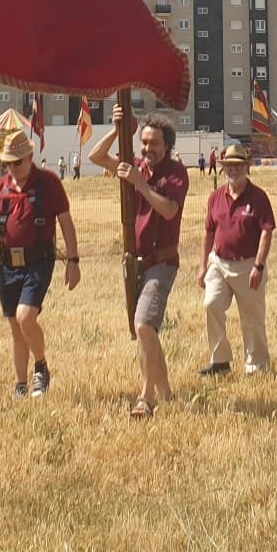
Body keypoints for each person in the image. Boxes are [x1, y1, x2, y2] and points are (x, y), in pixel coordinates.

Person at [0, 131, 78, 398]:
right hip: (7, 266)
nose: (12, 169)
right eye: (8, 164)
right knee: (15, 327)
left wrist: (73, 261)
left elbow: (66, 223)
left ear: (30, 158)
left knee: (25, 316)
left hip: (38, 262)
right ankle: (20, 385)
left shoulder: (49, 183)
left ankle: (41, 366)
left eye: (18, 162)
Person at [91, 118, 189, 419]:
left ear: (167, 146)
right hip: (135, 263)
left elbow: (169, 210)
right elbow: (95, 157)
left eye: (153, 143)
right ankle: (167, 392)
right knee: (145, 332)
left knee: (144, 325)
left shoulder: (176, 173)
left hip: (162, 263)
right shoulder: (135, 165)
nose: (147, 148)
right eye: (144, 142)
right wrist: (119, 131)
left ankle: (146, 399)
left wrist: (140, 184)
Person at [196, 143, 274, 376]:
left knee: (252, 317)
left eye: (238, 165)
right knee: (211, 304)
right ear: (223, 169)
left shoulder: (258, 197)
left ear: (247, 168)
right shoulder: (215, 197)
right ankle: (220, 361)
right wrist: (202, 267)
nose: (233, 170)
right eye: (229, 166)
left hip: (248, 265)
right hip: (219, 263)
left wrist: (258, 266)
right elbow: (208, 232)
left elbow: (266, 232)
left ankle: (256, 364)